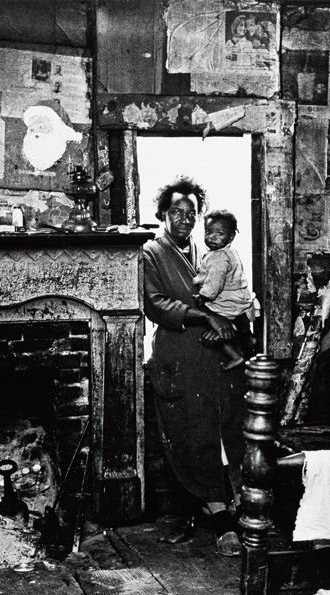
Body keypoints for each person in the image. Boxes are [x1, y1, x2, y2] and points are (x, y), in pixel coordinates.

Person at [142, 176, 247, 557]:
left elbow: (226, 296)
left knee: (225, 431)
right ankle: (220, 519)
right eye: (176, 212)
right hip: (178, 355)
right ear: (163, 214)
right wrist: (205, 318)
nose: (184, 219)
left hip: (213, 355)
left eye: (191, 213)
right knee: (192, 434)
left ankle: (229, 505)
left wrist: (228, 321)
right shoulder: (151, 253)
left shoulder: (208, 252)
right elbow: (156, 304)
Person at [193, 210, 257, 371]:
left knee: (211, 333)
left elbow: (214, 284)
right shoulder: (229, 251)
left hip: (228, 304)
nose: (212, 237)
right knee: (240, 332)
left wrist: (203, 297)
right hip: (240, 301)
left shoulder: (219, 257)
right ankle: (248, 341)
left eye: (219, 233)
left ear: (231, 237)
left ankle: (236, 356)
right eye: (208, 232)